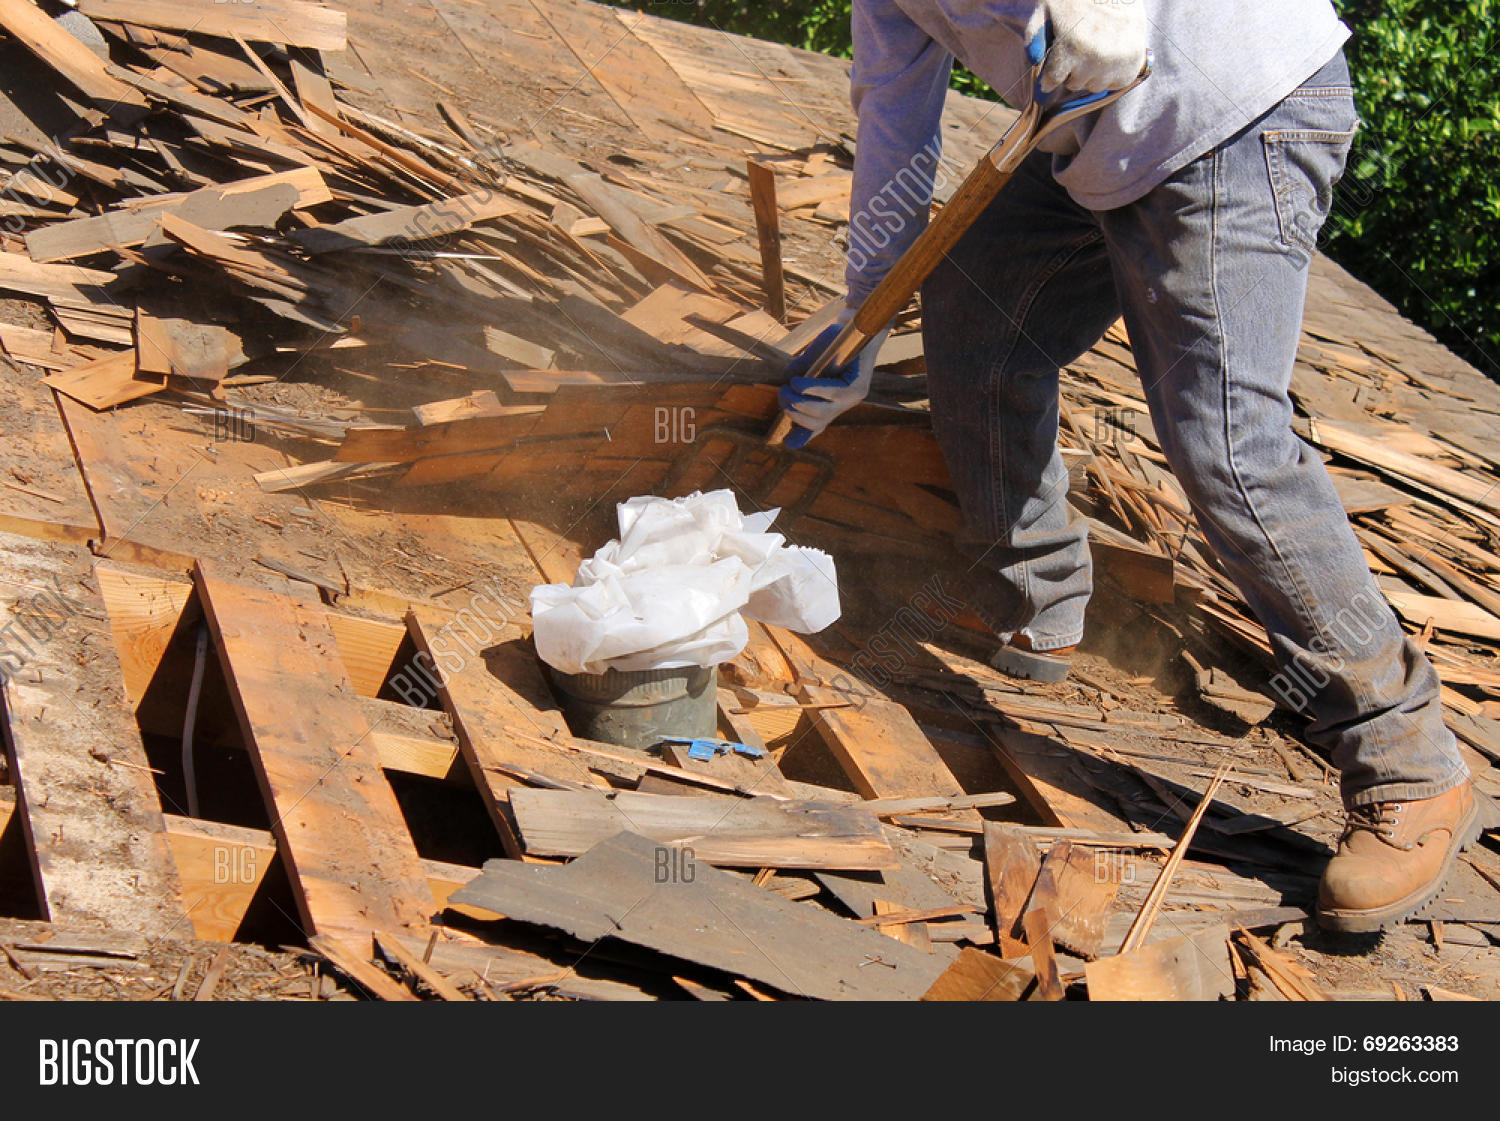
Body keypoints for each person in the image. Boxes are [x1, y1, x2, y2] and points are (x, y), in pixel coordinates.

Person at [777, 0, 1480, 934]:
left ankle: (1409, 761)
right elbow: (894, 118)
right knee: (979, 315)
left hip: (1233, 107)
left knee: (1229, 444)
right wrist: (864, 319)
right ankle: (1037, 595)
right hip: (1101, 134)